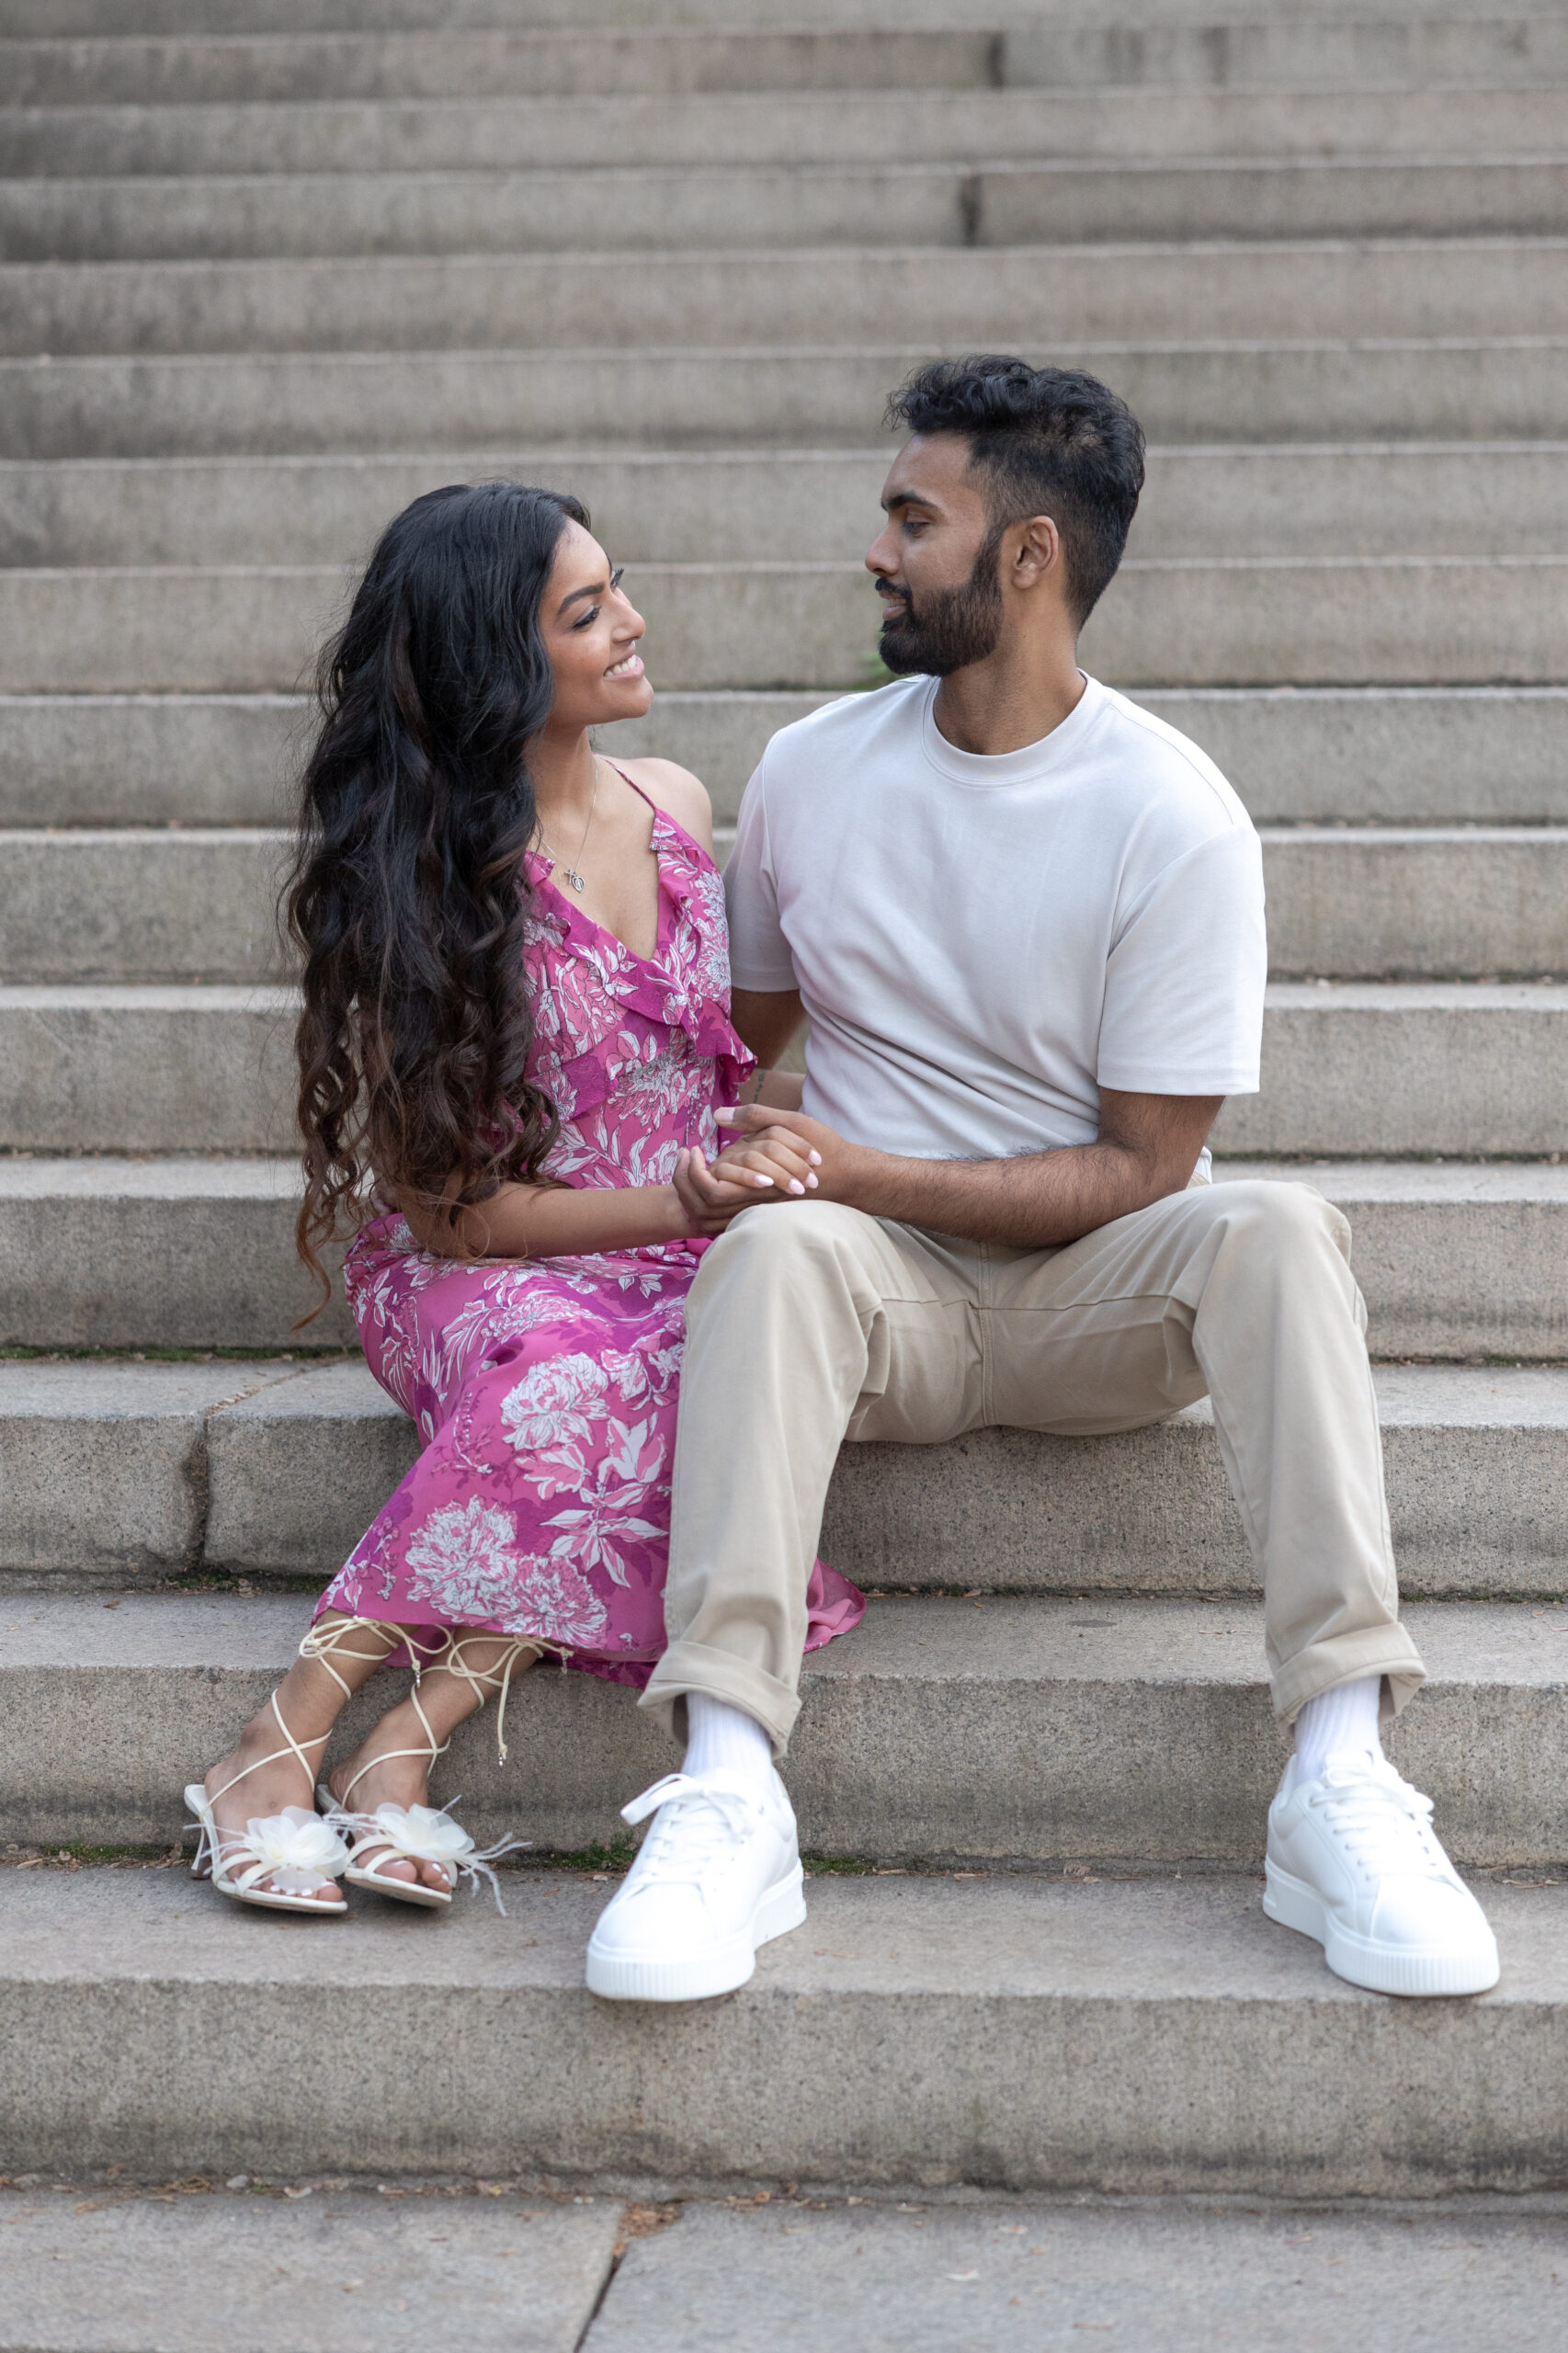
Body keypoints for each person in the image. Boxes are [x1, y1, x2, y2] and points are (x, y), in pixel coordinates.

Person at [585, 357, 1502, 2005]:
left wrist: (855, 1162)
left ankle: (1341, 1766)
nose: (877, 552)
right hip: (870, 1300)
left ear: (1026, 556)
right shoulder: (808, 771)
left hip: (1099, 1306)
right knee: (779, 1254)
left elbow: (1146, 1169)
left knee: (1279, 1229)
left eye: (911, 520)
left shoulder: (1172, 816)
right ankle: (726, 1781)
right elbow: (727, 1044)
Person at [185, 481, 862, 1920]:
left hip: (679, 1247)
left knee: (702, 1360)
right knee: (577, 1369)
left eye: (617, 589)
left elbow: (713, 1053)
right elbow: (455, 1216)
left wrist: (756, 1162)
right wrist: (678, 1206)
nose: (633, 623)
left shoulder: (675, 805)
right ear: (495, 661)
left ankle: (403, 1749)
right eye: (586, 611)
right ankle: (283, 1735)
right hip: (485, 1266)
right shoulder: (430, 879)